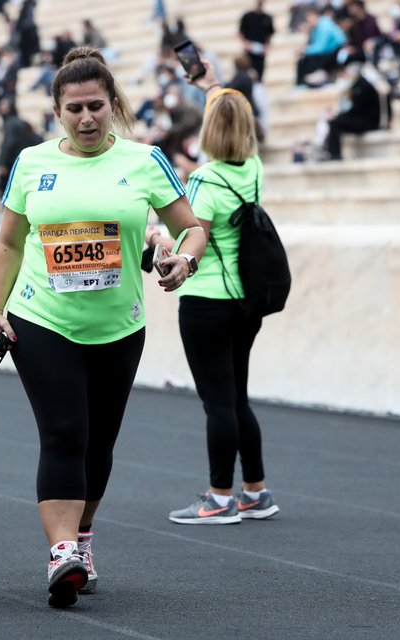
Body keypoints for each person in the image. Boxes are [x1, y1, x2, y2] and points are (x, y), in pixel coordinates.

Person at [0, 46, 205, 608]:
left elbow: (193, 228)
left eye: (96, 107)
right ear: (57, 111)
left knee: (98, 444)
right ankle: (61, 553)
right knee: (64, 433)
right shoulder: (31, 163)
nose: (86, 118)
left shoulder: (145, 160)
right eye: (75, 109)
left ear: (113, 105)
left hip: (118, 326)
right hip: (41, 318)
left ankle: (82, 536)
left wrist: (185, 259)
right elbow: (8, 242)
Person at [142, 60, 280, 525]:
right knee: (237, 397)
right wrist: (212, 86)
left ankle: (219, 498)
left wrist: (155, 237)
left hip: (207, 302)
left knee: (217, 402)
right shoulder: (253, 168)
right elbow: (230, 112)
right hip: (245, 300)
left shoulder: (205, 179)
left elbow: (191, 237)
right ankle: (255, 491)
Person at [325, 64, 382, 160]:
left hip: (368, 121)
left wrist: (340, 116)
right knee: (335, 121)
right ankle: (330, 152)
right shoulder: (356, 86)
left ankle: (335, 155)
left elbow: (357, 109)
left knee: (335, 123)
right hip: (362, 118)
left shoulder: (363, 87)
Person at [239, 0, 275, 83]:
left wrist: (267, 47)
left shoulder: (267, 18)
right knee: (248, 71)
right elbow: (240, 32)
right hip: (249, 50)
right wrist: (246, 44)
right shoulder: (247, 16)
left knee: (259, 73)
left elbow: (269, 35)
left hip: (260, 50)